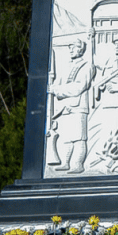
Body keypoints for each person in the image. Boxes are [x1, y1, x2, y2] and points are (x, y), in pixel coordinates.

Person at [47, 38, 94, 173]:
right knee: (67, 137)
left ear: (80, 49)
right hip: (65, 107)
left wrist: (57, 90)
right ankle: (66, 163)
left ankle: (78, 164)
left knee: (79, 138)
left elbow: (80, 87)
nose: (71, 50)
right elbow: (60, 84)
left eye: (73, 47)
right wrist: (54, 88)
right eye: (70, 48)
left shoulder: (87, 66)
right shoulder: (67, 66)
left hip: (78, 106)